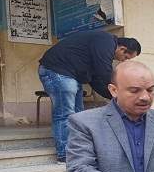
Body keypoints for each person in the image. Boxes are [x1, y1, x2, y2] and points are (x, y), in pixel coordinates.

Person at [38, 30, 141, 163]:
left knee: (78, 116)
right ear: (122, 49)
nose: (124, 61)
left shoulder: (101, 47)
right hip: (57, 70)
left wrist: (114, 97)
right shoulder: (106, 41)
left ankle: (77, 150)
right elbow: (104, 72)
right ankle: (64, 155)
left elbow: (96, 80)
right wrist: (120, 95)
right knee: (65, 114)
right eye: (126, 57)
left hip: (71, 75)